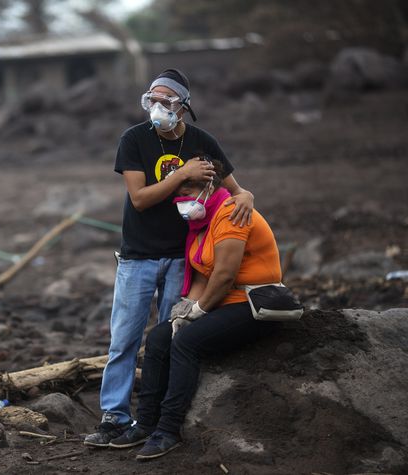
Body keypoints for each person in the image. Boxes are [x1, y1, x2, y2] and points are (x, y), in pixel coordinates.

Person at [84, 68, 255, 447]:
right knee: (124, 340)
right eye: (152, 100)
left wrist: (247, 197)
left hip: (182, 258)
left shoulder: (201, 141)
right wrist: (182, 175)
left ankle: (155, 417)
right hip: (137, 257)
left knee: (168, 339)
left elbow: (236, 190)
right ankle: (114, 417)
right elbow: (140, 199)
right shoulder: (133, 140)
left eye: (166, 100)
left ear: (183, 106)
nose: (157, 107)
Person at [107, 159, 282, 460]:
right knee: (161, 336)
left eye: (189, 191)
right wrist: (184, 311)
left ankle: (169, 429)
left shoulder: (230, 213)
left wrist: (199, 310)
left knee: (186, 344)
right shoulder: (200, 224)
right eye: (179, 193)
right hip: (225, 302)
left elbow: (225, 275)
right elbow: (202, 273)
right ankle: (147, 422)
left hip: (253, 303)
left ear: (210, 186)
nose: (183, 199)